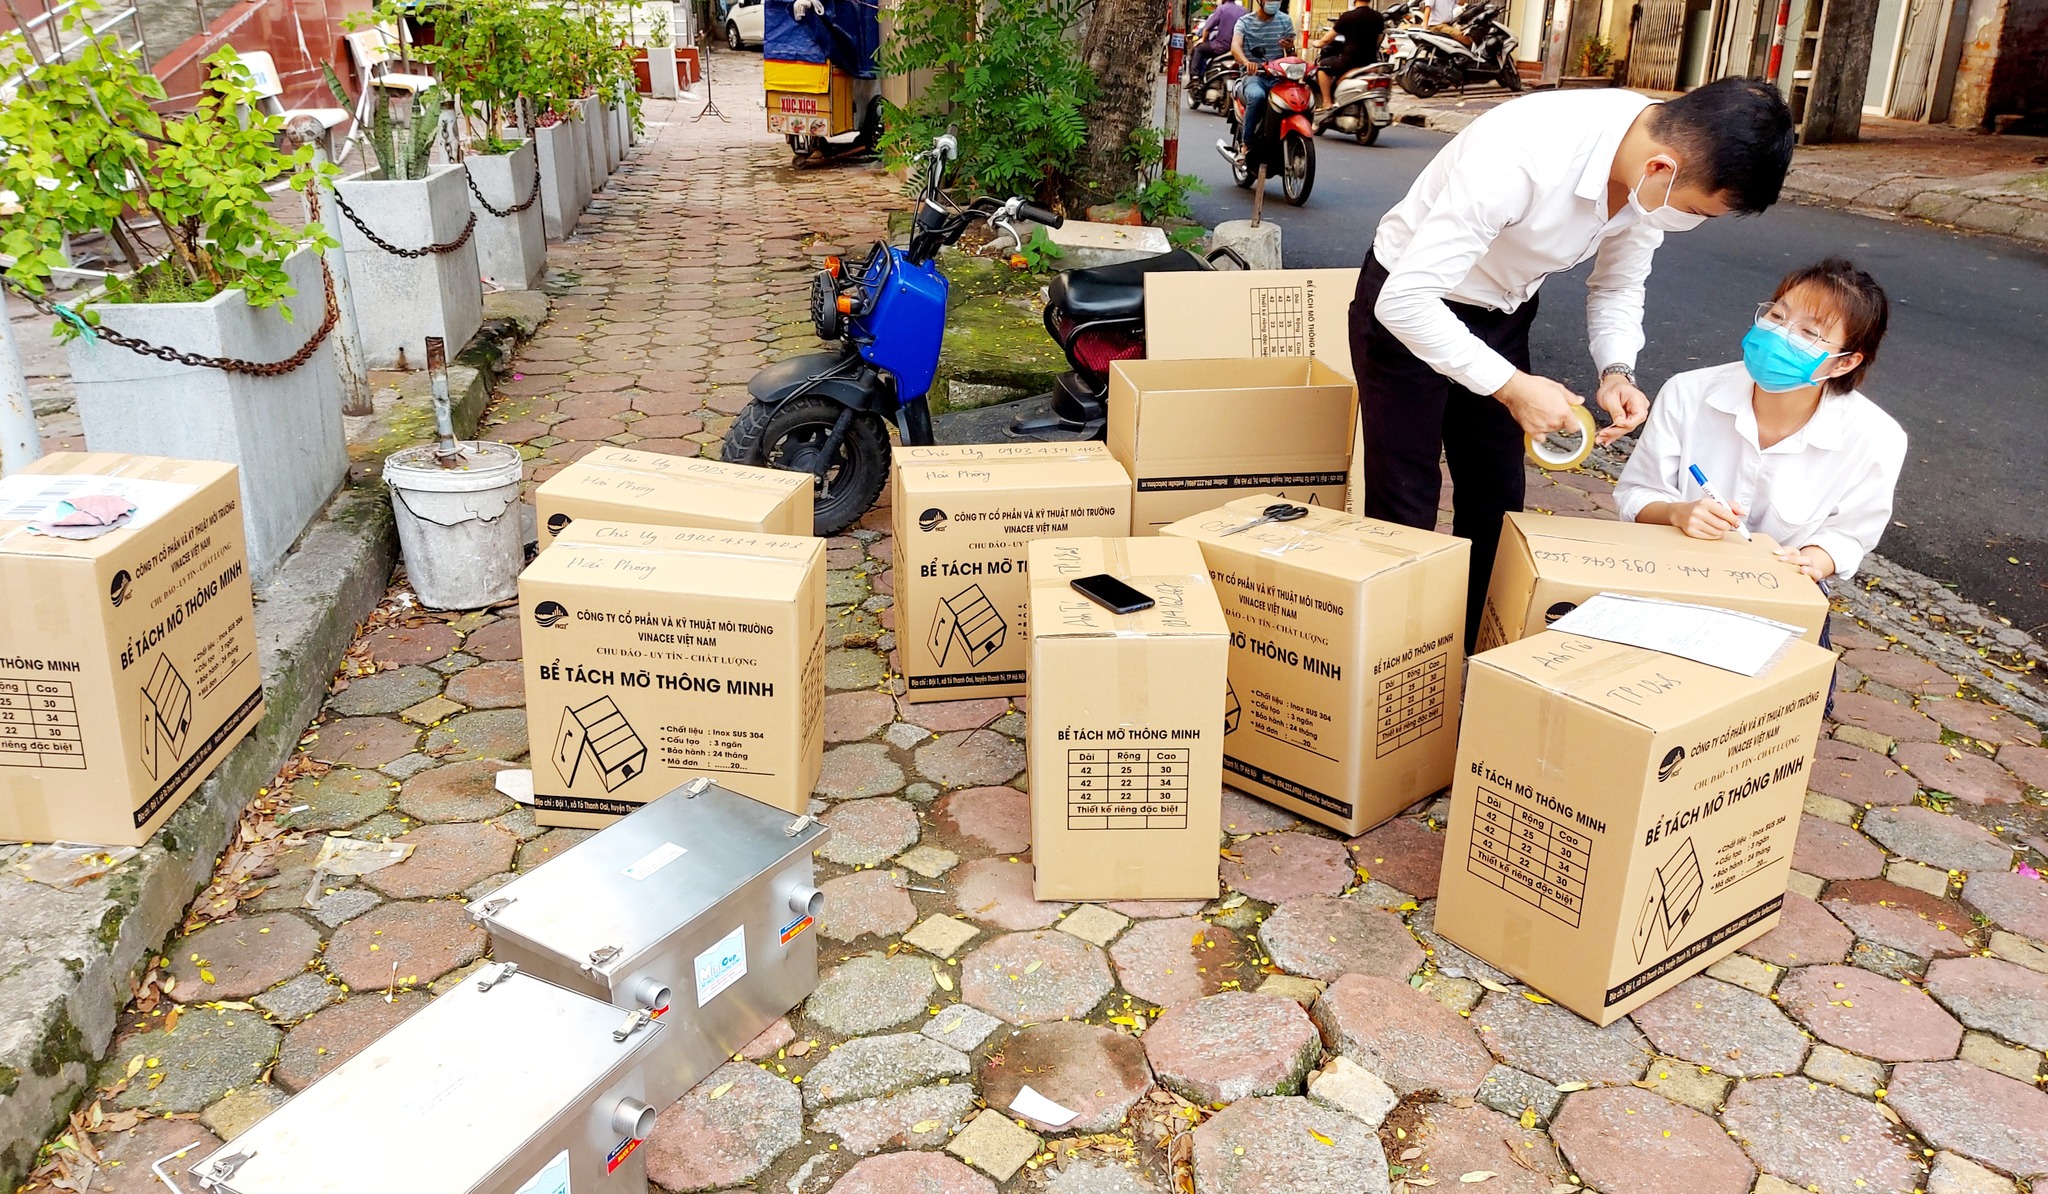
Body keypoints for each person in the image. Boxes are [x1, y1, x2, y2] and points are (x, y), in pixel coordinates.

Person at [1347, 77, 1796, 648]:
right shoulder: (1522, 155)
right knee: (1405, 495)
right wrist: (1512, 386)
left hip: (1502, 307)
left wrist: (1617, 370)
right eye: (1695, 211)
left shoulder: (1649, 177)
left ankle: (1475, 647)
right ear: (1662, 167)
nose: (1690, 223)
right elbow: (1405, 303)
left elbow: (1618, 284)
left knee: (1496, 493)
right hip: (1410, 303)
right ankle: (1392, 658)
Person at [1614, 257, 1905, 708]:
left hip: (1781, 594)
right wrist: (1678, 513)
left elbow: (1850, 534)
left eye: (1809, 333)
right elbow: (1636, 493)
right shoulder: (1688, 392)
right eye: (1777, 316)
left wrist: (1811, 561)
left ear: (1845, 362)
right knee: (1646, 696)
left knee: (1778, 714)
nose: (1780, 335)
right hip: (1676, 576)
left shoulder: (1875, 437)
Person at [1230, 0, 1297, 156]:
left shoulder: (1285, 21)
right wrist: (1246, 62)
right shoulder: (1244, 22)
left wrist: (1290, 48)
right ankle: (1246, 145)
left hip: (1278, 77)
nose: (1274, 2)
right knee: (1257, 96)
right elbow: (1235, 46)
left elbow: (1292, 54)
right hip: (1254, 76)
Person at [1314, 0, 1384, 111]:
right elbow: (1379, 38)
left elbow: (1326, 40)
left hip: (1350, 61)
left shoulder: (1348, 17)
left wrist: (1317, 43)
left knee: (1322, 67)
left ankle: (1327, 103)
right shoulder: (1378, 17)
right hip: (1371, 61)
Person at [1192, 0, 1247, 88]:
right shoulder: (1243, 10)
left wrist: (1203, 39)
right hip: (1240, 48)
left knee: (1199, 48)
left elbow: (1207, 27)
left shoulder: (1221, 9)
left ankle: (1195, 77)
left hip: (1222, 47)